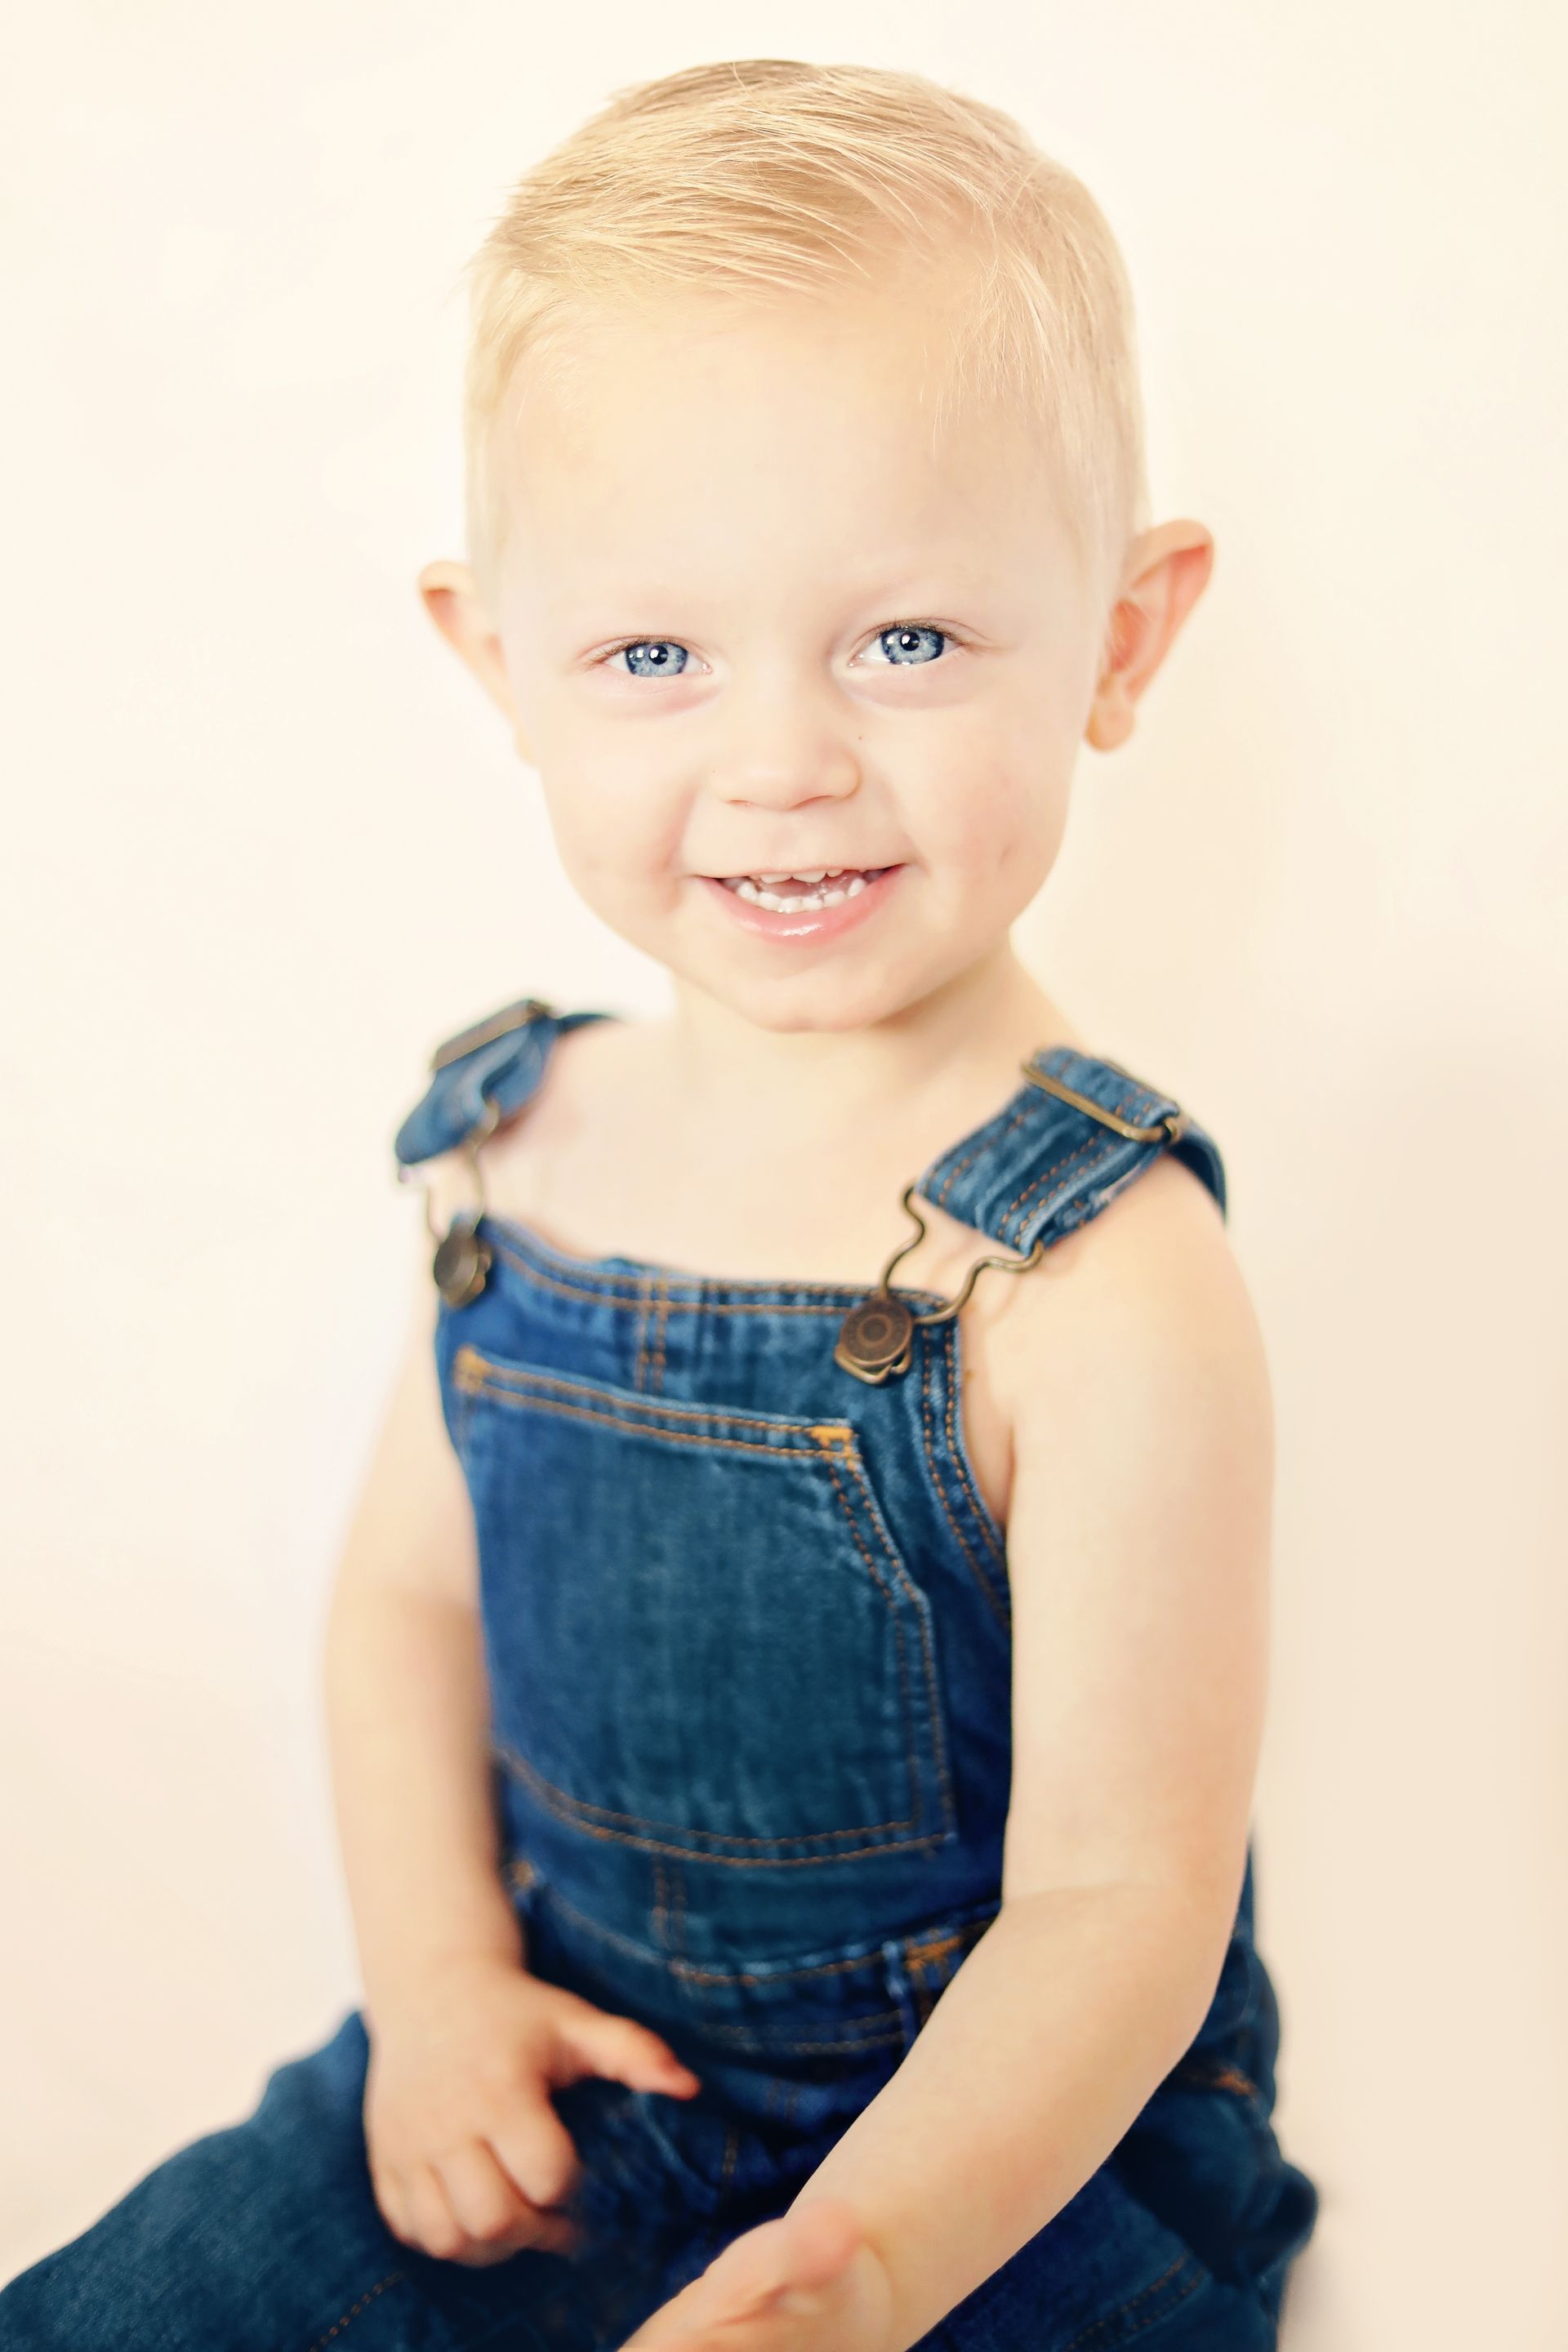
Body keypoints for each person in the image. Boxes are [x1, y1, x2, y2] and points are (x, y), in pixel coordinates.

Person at [0, 55, 1320, 2352]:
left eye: (905, 639)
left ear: (1120, 637)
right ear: (496, 663)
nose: (783, 757)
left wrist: (862, 2268)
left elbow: (1123, 1904)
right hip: (563, 2062)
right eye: (651, 654)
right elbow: (404, 1614)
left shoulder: (1104, 1274)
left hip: (1003, 2152)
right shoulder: (517, 1153)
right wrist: (433, 1996)